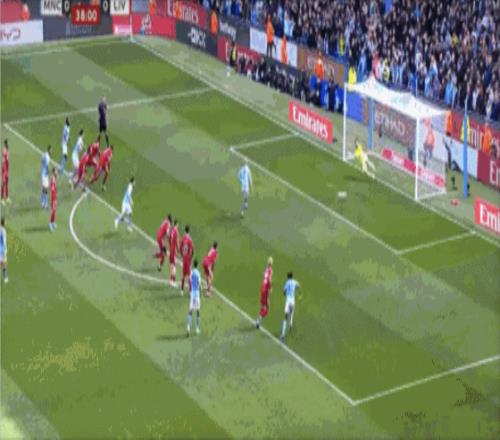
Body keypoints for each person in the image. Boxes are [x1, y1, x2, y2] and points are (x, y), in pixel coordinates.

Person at [280, 272, 300, 341]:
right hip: (293, 301)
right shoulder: (294, 281)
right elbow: (298, 286)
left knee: (285, 317)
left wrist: (284, 294)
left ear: (288, 277)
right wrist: (299, 294)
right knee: (291, 313)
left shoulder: (287, 282)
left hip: (288, 301)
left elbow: (284, 291)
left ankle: (283, 334)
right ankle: (291, 323)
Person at [255, 256, 273, 329]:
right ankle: (258, 319)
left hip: (262, 287)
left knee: (263, 306)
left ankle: (258, 320)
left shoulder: (266, 269)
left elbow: (264, 275)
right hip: (265, 290)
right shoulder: (270, 270)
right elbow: (269, 279)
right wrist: (270, 288)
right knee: (267, 308)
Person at [186, 259, 201, 336]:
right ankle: (197, 328)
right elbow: (199, 284)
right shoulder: (198, 273)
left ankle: (188, 327)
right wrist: (200, 291)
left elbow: (189, 281)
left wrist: (190, 290)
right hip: (197, 294)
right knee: (198, 311)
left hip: (192, 293)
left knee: (190, 311)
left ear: (193, 265)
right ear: (197, 265)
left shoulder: (191, 273)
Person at [180, 224, 194, 295]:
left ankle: (182, 291)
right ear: (189, 230)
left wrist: (182, 255)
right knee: (189, 275)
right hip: (188, 258)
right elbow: (192, 249)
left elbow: (180, 248)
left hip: (184, 258)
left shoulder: (183, 238)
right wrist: (191, 256)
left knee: (183, 275)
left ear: (185, 230)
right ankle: (190, 291)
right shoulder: (190, 239)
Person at [168, 218, 179, 286]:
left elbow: (169, 237)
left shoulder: (172, 230)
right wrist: (178, 249)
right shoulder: (176, 231)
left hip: (171, 249)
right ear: (176, 224)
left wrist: (171, 245)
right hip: (174, 251)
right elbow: (177, 241)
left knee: (172, 266)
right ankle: (173, 281)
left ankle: (170, 281)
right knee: (174, 267)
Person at [41, 145, 51, 209]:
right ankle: (45, 204)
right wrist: (48, 172)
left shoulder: (44, 154)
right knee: (46, 189)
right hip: (45, 174)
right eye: (51, 150)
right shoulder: (48, 157)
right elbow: (47, 166)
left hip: (43, 173)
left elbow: (42, 160)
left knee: (44, 189)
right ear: (49, 150)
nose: (51, 151)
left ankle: (43, 202)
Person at [1, 139, 10, 205]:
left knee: (6, 183)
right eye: (6, 144)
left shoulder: (7, 150)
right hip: (4, 169)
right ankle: (1, 199)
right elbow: (4, 163)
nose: (7, 145)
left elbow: (7, 162)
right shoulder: (4, 152)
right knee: (3, 183)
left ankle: (7, 197)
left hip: (7, 168)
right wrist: (5, 172)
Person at [0, 217, 7, 283]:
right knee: (4, 263)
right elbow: (4, 241)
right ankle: (5, 278)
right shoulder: (3, 230)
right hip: (2, 249)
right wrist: (4, 251)